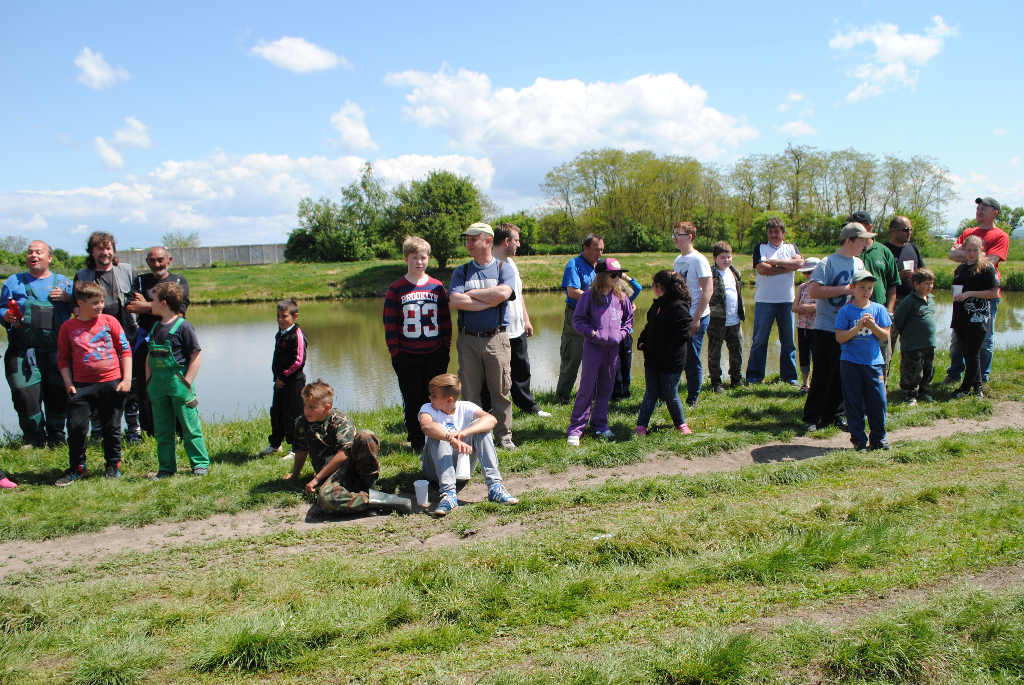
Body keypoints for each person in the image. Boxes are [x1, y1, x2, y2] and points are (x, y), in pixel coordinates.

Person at [284, 379, 410, 515]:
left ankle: (369, 489)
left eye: (311, 407)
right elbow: (301, 450)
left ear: (327, 408)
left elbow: (344, 453)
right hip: (332, 476)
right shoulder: (302, 423)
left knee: (365, 436)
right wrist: (295, 474)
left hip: (353, 467)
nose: (306, 410)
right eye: (305, 405)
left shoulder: (339, 419)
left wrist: (316, 479)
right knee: (326, 499)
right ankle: (381, 501)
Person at [448, 223, 518, 451]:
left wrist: (471, 295)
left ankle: (504, 436)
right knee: (470, 392)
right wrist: (489, 301)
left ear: (488, 241)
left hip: (496, 339)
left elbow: (503, 293)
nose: (468, 243)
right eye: (467, 239)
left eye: (473, 239)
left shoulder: (503, 268)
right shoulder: (462, 271)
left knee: (500, 390)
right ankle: (475, 436)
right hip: (467, 339)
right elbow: (456, 301)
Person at [55, 281, 132, 485]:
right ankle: (77, 467)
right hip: (81, 385)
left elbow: (125, 350)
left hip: (111, 382)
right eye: (95, 302)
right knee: (76, 427)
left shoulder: (109, 321)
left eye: (102, 301)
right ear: (80, 303)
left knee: (112, 427)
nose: (100, 306)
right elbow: (62, 358)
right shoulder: (68, 327)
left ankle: (113, 465)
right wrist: (68, 383)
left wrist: (126, 379)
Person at [0, 240, 73, 448]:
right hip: (23, 351)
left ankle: (57, 435)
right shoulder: (13, 282)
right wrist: (5, 316)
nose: (33, 255)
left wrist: (68, 298)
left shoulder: (64, 282)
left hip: (56, 351)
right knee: (24, 393)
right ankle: (34, 437)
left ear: (49, 257)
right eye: (30, 252)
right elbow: (1, 308)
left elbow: (81, 308)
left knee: (59, 394)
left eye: (38, 252)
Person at [382, 236, 453, 452]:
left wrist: (445, 346)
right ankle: (416, 439)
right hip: (407, 354)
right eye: (414, 257)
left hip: (435, 352)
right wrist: (396, 352)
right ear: (406, 259)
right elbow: (390, 323)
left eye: (423, 257)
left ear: (428, 258)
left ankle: (437, 434)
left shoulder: (437, 287)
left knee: (436, 396)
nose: (419, 262)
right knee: (412, 398)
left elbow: (445, 319)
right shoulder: (396, 289)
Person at [801, 223, 870, 433]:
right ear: (849, 241)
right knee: (823, 373)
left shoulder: (859, 263)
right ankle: (811, 418)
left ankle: (834, 415)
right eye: (861, 240)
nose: (865, 244)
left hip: (850, 329)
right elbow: (813, 291)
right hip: (827, 327)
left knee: (843, 373)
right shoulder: (827, 262)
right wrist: (845, 289)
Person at [419, 374, 519, 516]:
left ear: (449, 400)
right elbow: (426, 426)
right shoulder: (428, 408)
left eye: (434, 395)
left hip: (463, 469)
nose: (430, 397)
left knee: (481, 428)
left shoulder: (465, 406)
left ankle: (495, 487)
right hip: (434, 471)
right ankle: (449, 495)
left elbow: (491, 420)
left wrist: (464, 432)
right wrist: (451, 438)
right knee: (437, 431)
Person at [73, 232, 142, 441]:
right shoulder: (82, 275)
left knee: (131, 384)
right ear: (92, 252)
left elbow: (138, 298)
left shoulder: (127, 270)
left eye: (108, 247)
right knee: (97, 385)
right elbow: (76, 308)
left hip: (126, 336)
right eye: (100, 248)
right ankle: (99, 432)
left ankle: (134, 430)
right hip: (95, 340)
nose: (105, 252)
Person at [566, 258, 634, 445]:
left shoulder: (622, 298)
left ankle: (599, 425)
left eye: (619, 274)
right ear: (603, 276)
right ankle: (576, 429)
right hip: (593, 349)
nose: (617, 278)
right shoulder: (588, 297)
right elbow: (578, 321)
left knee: (606, 389)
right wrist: (593, 334)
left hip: (613, 351)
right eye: (613, 274)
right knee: (586, 389)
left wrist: (621, 335)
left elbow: (628, 320)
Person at [124, 246, 190, 437]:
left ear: (169, 260)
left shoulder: (179, 281)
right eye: (152, 260)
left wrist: (145, 304)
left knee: (174, 384)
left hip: (172, 340)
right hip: (145, 339)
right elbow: (130, 307)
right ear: (147, 262)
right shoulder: (140, 280)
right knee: (146, 386)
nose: (156, 264)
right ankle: (149, 432)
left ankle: (180, 430)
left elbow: (179, 312)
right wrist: (162, 306)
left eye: (160, 260)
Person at [147, 282, 211, 478]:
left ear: (163, 303)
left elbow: (196, 356)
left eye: (153, 300)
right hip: (157, 385)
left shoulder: (183, 326)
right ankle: (166, 467)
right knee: (162, 430)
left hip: (179, 384)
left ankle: (199, 464)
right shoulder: (155, 327)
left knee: (190, 427)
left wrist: (187, 383)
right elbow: (149, 357)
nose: (150, 303)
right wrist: (148, 381)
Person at [488, 223, 550, 417]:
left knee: (522, 369)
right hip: (499, 330)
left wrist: (526, 320)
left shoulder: (511, 264)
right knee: (497, 373)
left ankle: (528, 406)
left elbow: (519, 294)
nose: (519, 244)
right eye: (517, 240)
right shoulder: (490, 265)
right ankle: (491, 410)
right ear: (507, 241)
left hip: (517, 328)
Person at [945, 197, 1009, 385]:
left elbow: (990, 261)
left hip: (986, 294)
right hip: (962, 292)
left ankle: (981, 377)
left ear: (995, 213)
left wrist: (967, 254)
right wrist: (978, 255)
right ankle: (954, 373)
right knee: (957, 336)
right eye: (978, 208)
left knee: (985, 338)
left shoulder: (1000, 236)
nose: (979, 211)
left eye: (984, 208)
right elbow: (951, 254)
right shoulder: (968, 232)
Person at [835, 270, 892, 451]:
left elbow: (885, 336)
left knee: (878, 401)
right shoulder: (845, 311)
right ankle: (859, 440)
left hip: (873, 363)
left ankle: (878, 439)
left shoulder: (879, 309)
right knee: (853, 402)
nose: (866, 291)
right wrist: (859, 326)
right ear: (852, 288)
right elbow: (840, 338)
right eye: (862, 287)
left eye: (870, 288)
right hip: (850, 363)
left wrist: (873, 326)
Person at [745, 217, 802, 385]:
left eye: (777, 231)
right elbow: (762, 269)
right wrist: (787, 266)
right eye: (770, 232)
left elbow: (799, 264)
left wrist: (775, 262)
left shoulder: (791, 247)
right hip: (765, 301)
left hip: (787, 301)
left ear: (783, 233)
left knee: (788, 342)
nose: (773, 235)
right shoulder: (760, 248)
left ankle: (790, 377)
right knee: (759, 341)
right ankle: (754, 377)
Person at [635, 270, 692, 436]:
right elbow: (649, 326)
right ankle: (641, 426)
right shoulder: (656, 305)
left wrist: (666, 351)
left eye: (653, 285)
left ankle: (680, 424)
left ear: (658, 286)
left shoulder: (678, 306)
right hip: (652, 358)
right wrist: (641, 340)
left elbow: (683, 334)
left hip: (671, 360)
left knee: (670, 393)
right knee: (651, 392)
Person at [848, 211, 900, 377]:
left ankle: (880, 390)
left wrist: (888, 311)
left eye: (859, 226)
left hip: (879, 312)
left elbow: (892, 284)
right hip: (854, 313)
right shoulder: (848, 250)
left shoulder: (884, 251)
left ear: (869, 228)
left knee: (882, 357)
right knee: (854, 358)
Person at [255, 299, 308, 459]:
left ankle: (296, 447)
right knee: (277, 412)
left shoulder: (297, 335)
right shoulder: (281, 333)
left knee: (294, 414)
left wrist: (282, 376)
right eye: (278, 316)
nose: (280, 320)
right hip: (280, 382)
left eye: (284, 316)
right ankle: (275, 444)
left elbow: (298, 361)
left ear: (295, 316)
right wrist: (278, 378)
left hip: (294, 382)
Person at [949, 235, 1000, 399]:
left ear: (981, 250)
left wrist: (970, 293)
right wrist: (955, 293)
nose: (971, 254)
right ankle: (977, 387)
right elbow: (959, 289)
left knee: (972, 354)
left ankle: (965, 388)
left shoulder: (986, 267)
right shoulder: (961, 268)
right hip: (960, 316)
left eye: (975, 250)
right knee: (967, 353)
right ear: (964, 250)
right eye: (969, 250)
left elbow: (994, 293)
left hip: (977, 318)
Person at [556, 234, 605, 402]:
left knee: (596, 359)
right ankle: (563, 396)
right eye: (596, 249)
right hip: (576, 316)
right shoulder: (574, 264)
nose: (599, 253)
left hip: (596, 317)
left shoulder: (600, 266)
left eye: (602, 250)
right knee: (572, 357)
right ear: (585, 248)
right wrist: (596, 300)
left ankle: (592, 395)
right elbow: (572, 292)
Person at [671, 221, 712, 406]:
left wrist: (696, 319)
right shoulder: (678, 260)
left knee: (692, 357)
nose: (674, 238)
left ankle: (693, 397)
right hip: (681, 316)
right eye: (673, 234)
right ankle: (670, 393)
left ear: (689, 237)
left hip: (697, 315)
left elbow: (708, 290)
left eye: (678, 234)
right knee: (678, 355)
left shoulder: (699, 260)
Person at [891, 268, 937, 405]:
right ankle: (908, 394)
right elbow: (898, 320)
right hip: (912, 343)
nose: (930, 286)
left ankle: (924, 391)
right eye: (926, 283)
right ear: (916, 284)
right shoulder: (909, 301)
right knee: (912, 370)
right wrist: (907, 334)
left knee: (928, 369)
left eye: (931, 283)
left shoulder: (931, 299)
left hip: (929, 342)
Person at [707, 241, 744, 393]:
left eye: (729, 257)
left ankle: (736, 379)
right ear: (715, 258)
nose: (727, 260)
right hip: (716, 321)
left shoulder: (734, 272)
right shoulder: (710, 274)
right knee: (715, 352)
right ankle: (716, 382)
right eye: (723, 257)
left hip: (734, 320)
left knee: (737, 350)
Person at [610, 274, 643, 401]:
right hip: (613, 335)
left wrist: (625, 277)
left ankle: (625, 393)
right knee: (615, 365)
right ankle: (616, 395)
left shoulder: (626, 299)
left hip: (626, 334)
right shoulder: (605, 299)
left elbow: (638, 288)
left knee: (626, 364)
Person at [882, 216, 925, 309]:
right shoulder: (884, 250)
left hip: (914, 300)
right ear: (894, 231)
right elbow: (878, 279)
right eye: (905, 230)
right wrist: (898, 277)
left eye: (910, 229)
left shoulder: (913, 248)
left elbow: (923, 271)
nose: (909, 233)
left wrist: (917, 275)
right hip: (895, 302)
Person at [792, 258, 820, 393]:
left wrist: (803, 307)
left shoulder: (822, 288)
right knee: (804, 355)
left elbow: (819, 307)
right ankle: (805, 384)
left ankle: (817, 383)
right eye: (805, 272)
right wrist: (810, 307)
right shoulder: (802, 287)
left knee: (817, 355)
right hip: (802, 326)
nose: (807, 275)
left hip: (817, 327)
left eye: (810, 272)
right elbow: (794, 308)